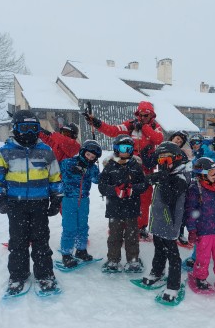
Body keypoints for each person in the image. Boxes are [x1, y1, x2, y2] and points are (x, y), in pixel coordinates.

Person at [0, 110, 63, 295]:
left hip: (39, 203)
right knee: (18, 241)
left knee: (41, 241)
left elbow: (55, 177)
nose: (29, 132)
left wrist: (56, 199)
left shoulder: (46, 151)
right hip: (16, 204)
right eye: (25, 128)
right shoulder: (5, 152)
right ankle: (18, 275)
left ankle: (44, 274)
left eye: (34, 128)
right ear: (16, 129)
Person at [85, 101, 163, 239]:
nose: (143, 117)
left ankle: (141, 226)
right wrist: (97, 123)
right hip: (128, 166)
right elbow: (113, 130)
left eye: (146, 115)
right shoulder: (130, 124)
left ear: (151, 115)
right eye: (141, 114)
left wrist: (144, 127)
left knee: (145, 198)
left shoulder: (155, 127)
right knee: (125, 194)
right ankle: (122, 224)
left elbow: (158, 139)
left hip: (146, 168)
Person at [142, 142, 191, 302]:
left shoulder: (181, 178)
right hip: (157, 220)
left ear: (176, 159)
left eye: (167, 160)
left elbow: (170, 198)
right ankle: (157, 272)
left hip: (170, 222)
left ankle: (173, 284)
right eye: (160, 160)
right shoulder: (166, 174)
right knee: (158, 248)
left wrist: (163, 180)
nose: (163, 164)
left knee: (173, 254)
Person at [184, 157, 215, 293]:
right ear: (202, 173)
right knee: (203, 256)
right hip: (203, 230)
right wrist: (192, 229)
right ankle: (200, 277)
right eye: (212, 172)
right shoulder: (196, 189)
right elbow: (190, 211)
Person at [98, 135, 147, 272]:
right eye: (122, 148)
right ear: (116, 149)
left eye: (129, 148)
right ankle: (113, 260)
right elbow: (102, 186)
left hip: (131, 208)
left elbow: (143, 184)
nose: (126, 151)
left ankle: (133, 260)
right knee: (115, 236)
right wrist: (114, 190)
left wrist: (133, 189)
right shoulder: (110, 166)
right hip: (115, 209)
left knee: (132, 236)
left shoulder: (135, 166)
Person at [59, 140, 102, 268]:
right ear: (83, 152)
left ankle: (81, 250)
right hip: (69, 199)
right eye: (88, 155)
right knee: (70, 227)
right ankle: (66, 254)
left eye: (93, 157)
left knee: (82, 226)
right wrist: (73, 169)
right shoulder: (69, 162)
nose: (89, 158)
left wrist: (98, 171)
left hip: (84, 200)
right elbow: (60, 170)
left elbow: (97, 180)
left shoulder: (92, 168)